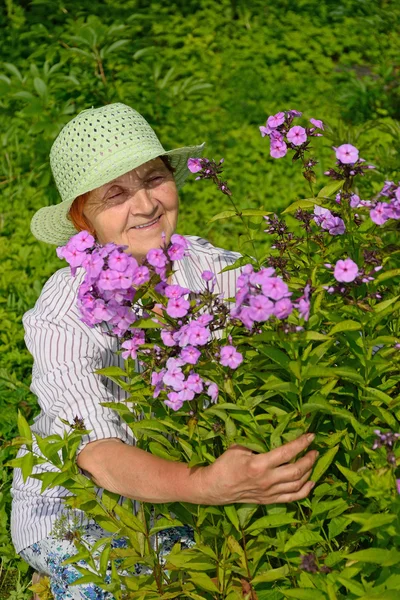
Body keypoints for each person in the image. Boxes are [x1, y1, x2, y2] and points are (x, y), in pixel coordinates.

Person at [10, 103, 318, 599]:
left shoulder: (214, 266)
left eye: (154, 177)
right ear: (80, 218)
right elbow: (97, 454)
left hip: (194, 489)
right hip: (82, 510)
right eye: (115, 194)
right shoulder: (63, 310)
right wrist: (207, 485)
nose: (146, 204)